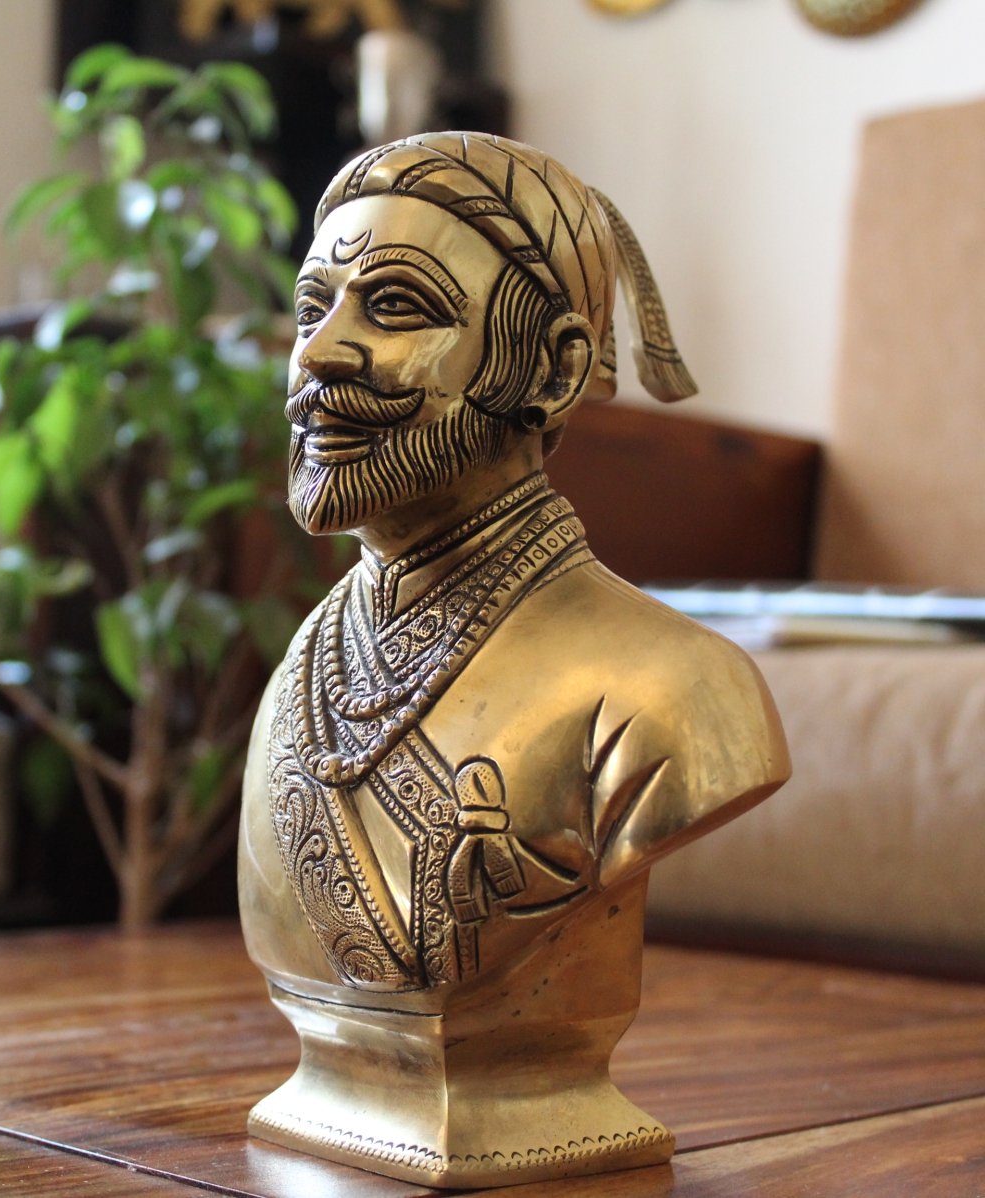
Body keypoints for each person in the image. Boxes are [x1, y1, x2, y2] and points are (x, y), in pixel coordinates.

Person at [238, 132, 789, 1186]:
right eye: (312, 309)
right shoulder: (299, 678)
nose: (318, 355)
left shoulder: (676, 691)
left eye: (395, 306)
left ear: (554, 369)